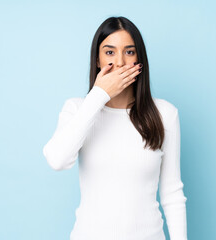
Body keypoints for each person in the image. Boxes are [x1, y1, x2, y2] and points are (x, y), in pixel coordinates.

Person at [43, 16, 188, 240]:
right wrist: (99, 95)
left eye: (129, 52)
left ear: (140, 59)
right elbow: (57, 160)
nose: (119, 62)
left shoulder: (165, 114)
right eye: (110, 52)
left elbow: (172, 194)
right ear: (98, 61)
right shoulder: (77, 109)